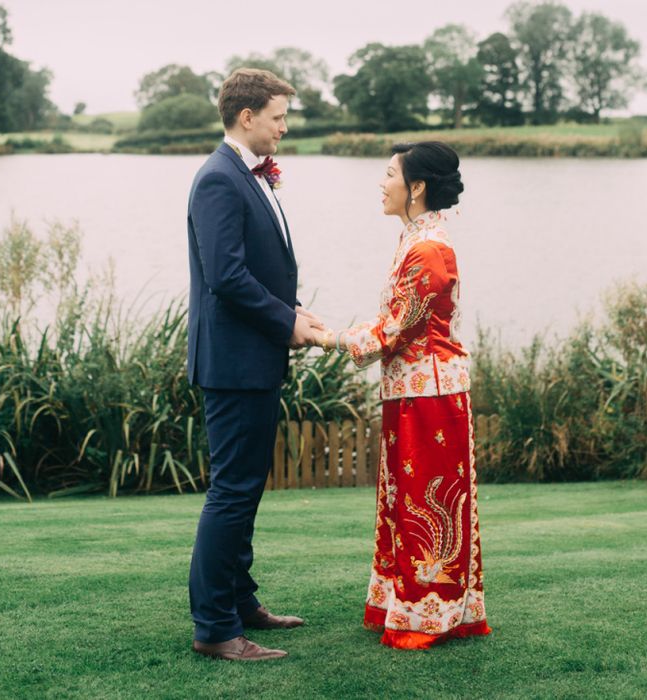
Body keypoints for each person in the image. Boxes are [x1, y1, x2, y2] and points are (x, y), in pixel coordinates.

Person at [312, 142, 492, 649]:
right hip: (414, 392)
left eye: (389, 173)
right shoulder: (417, 240)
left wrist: (324, 336)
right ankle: (419, 605)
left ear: (417, 187)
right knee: (407, 499)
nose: (381, 182)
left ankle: (426, 616)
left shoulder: (428, 250)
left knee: (426, 504)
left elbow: (393, 330)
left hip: (430, 396)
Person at [187, 68, 324, 661]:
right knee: (232, 493)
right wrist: (286, 322)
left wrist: (293, 311)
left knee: (244, 490)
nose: (284, 127)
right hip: (235, 363)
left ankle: (243, 604)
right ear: (247, 117)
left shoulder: (247, 176)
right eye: (277, 116)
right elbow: (225, 276)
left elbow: (258, 270)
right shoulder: (219, 179)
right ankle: (216, 628)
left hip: (254, 357)